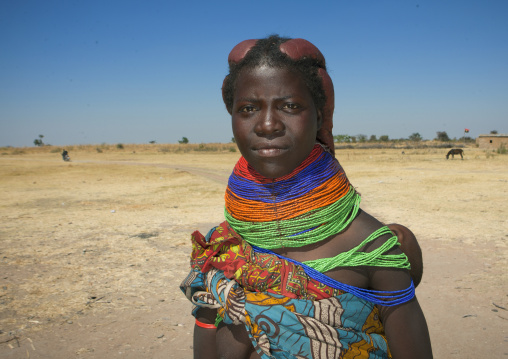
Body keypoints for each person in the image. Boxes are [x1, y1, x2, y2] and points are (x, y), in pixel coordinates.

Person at [180, 35, 432, 359]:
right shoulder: (222, 247)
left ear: (320, 116)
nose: (268, 124)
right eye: (248, 108)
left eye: (290, 106)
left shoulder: (369, 248)